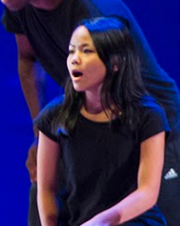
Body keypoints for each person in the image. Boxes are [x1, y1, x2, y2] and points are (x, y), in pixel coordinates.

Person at [0, 0, 180, 225]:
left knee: (149, 212)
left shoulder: (93, 13)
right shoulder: (19, 1)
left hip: (145, 118)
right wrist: (40, 136)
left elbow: (124, 88)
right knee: (44, 187)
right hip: (92, 113)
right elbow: (27, 61)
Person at [36, 17, 169, 226]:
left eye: (86, 51)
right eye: (72, 51)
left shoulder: (148, 115)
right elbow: (46, 190)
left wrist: (102, 222)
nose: (74, 59)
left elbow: (147, 192)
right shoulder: (54, 115)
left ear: (115, 63)